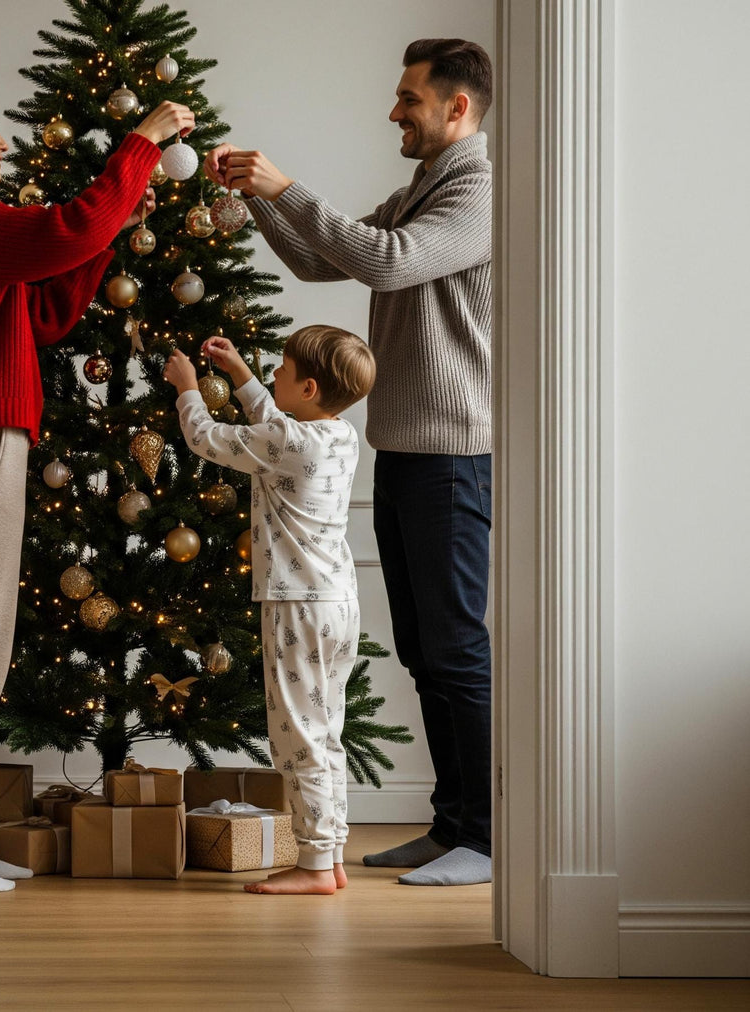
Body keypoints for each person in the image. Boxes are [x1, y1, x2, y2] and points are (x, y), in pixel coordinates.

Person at [0, 79, 194, 892]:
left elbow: (47, 309)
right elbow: (65, 230)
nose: (1, 141)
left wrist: (108, 232)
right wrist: (142, 142)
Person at [204, 39, 494, 886]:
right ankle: (451, 827)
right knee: (421, 651)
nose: (394, 112)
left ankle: (481, 836)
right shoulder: (421, 189)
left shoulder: (478, 190)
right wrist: (257, 202)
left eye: (408, 99)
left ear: (456, 109)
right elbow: (317, 257)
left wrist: (283, 185)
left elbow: (386, 260)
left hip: (452, 456)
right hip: (403, 450)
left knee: (454, 651)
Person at [166, 328, 375, 894]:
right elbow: (279, 421)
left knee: (298, 737)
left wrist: (189, 388)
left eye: (280, 369)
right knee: (325, 732)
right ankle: (328, 855)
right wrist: (240, 374)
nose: (273, 375)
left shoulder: (289, 441)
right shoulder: (338, 435)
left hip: (295, 607)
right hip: (337, 604)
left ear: (307, 387)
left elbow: (208, 438)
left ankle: (311, 867)